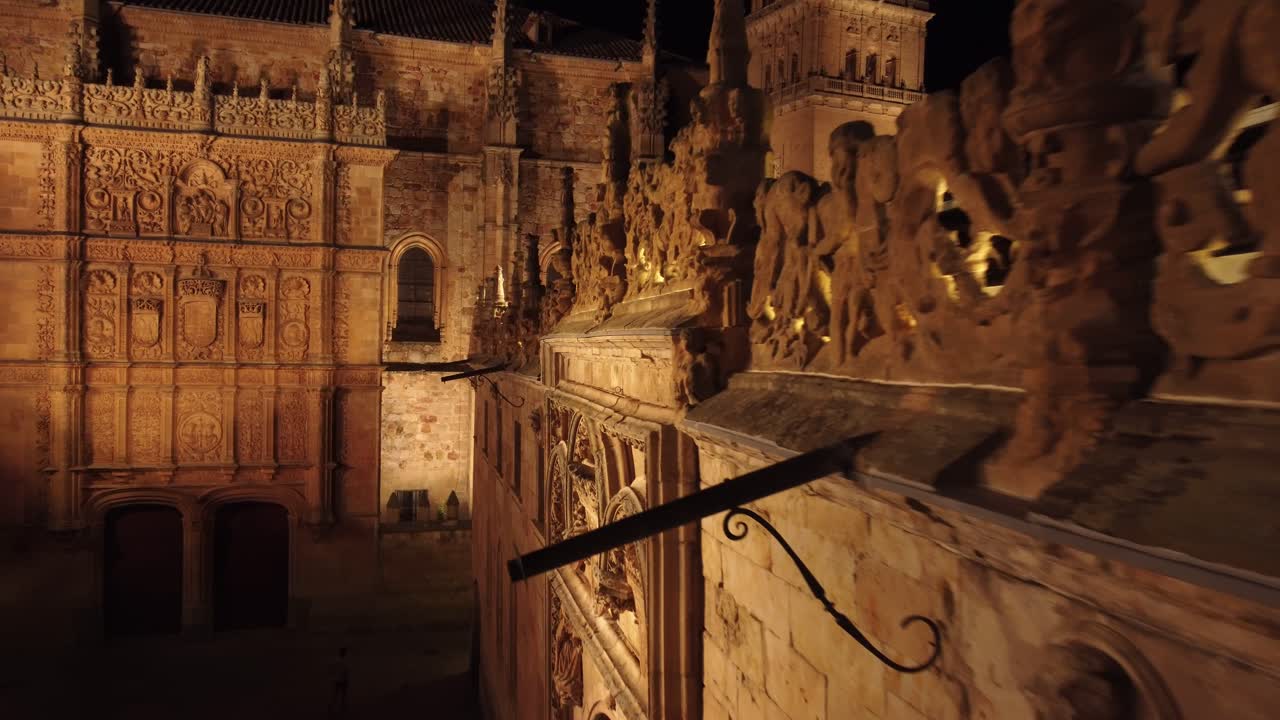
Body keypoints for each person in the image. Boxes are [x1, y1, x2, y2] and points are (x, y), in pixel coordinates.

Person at [329, 647, 349, 718]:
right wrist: (347, 680)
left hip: (336, 680)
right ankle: (342, 708)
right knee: (343, 695)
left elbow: (332, 670)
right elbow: (346, 672)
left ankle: (332, 706)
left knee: (335, 694)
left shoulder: (336, 660)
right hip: (342, 680)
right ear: (344, 653)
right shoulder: (344, 662)